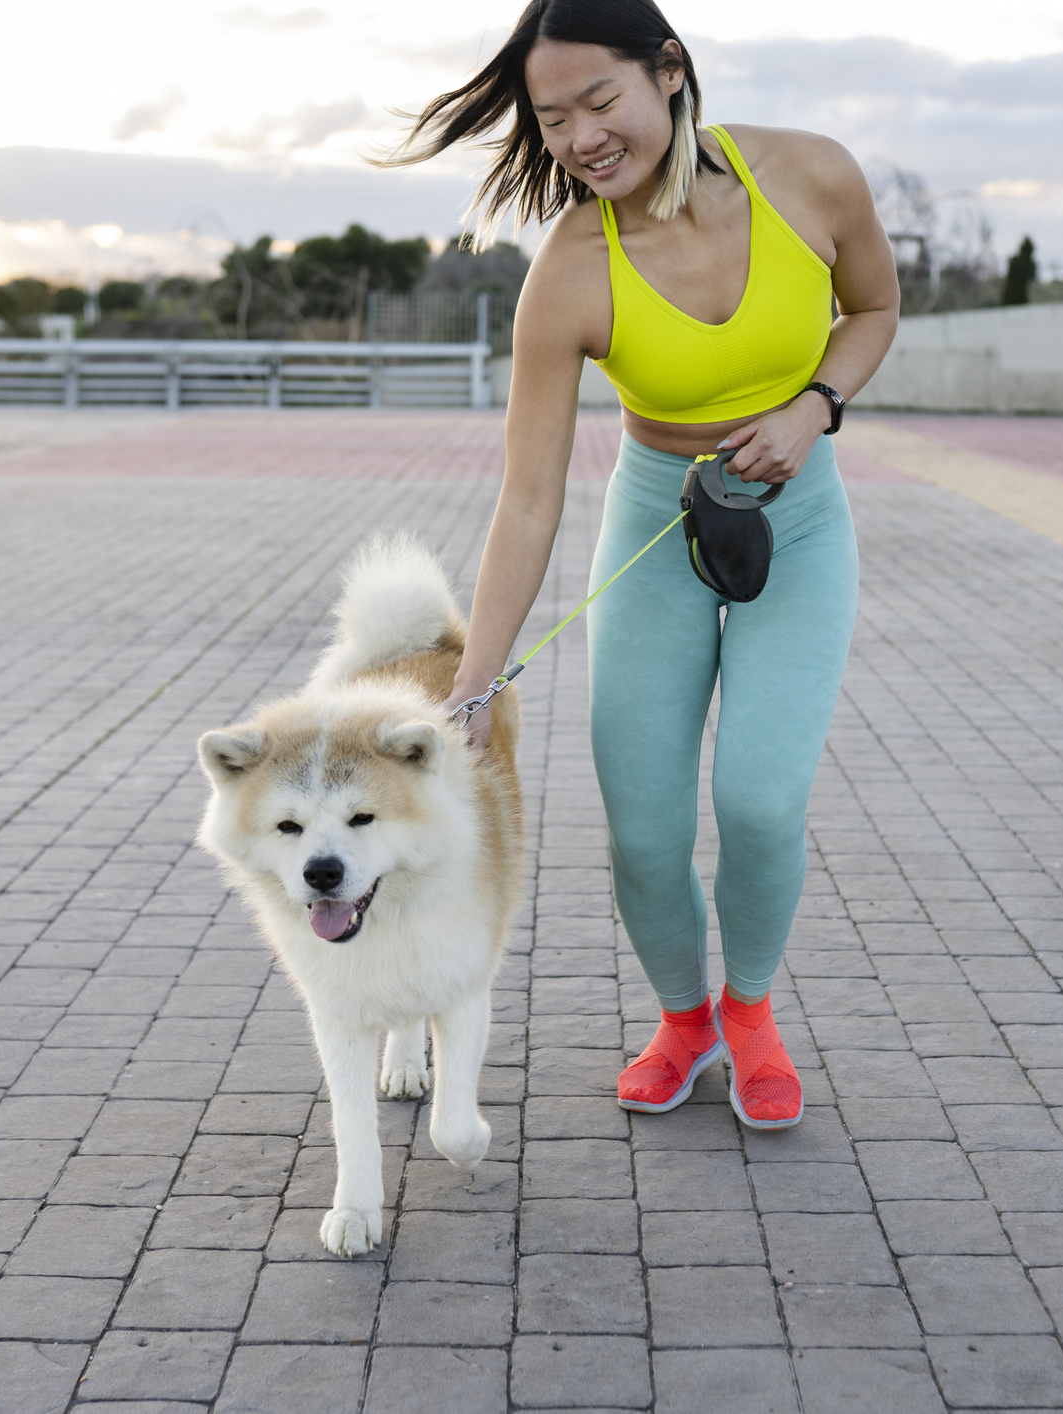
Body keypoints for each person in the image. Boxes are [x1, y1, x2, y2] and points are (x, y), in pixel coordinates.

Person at [387, 0, 898, 1128]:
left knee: (760, 801)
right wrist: (477, 677)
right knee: (648, 829)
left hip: (796, 521)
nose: (577, 140)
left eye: (598, 102)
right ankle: (684, 1020)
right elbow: (526, 499)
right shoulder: (570, 269)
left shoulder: (810, 177)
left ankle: (751, 1011)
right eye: (552, 118)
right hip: (655, 529)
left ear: (668, 69)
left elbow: (873, 306)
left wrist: (816, 406)